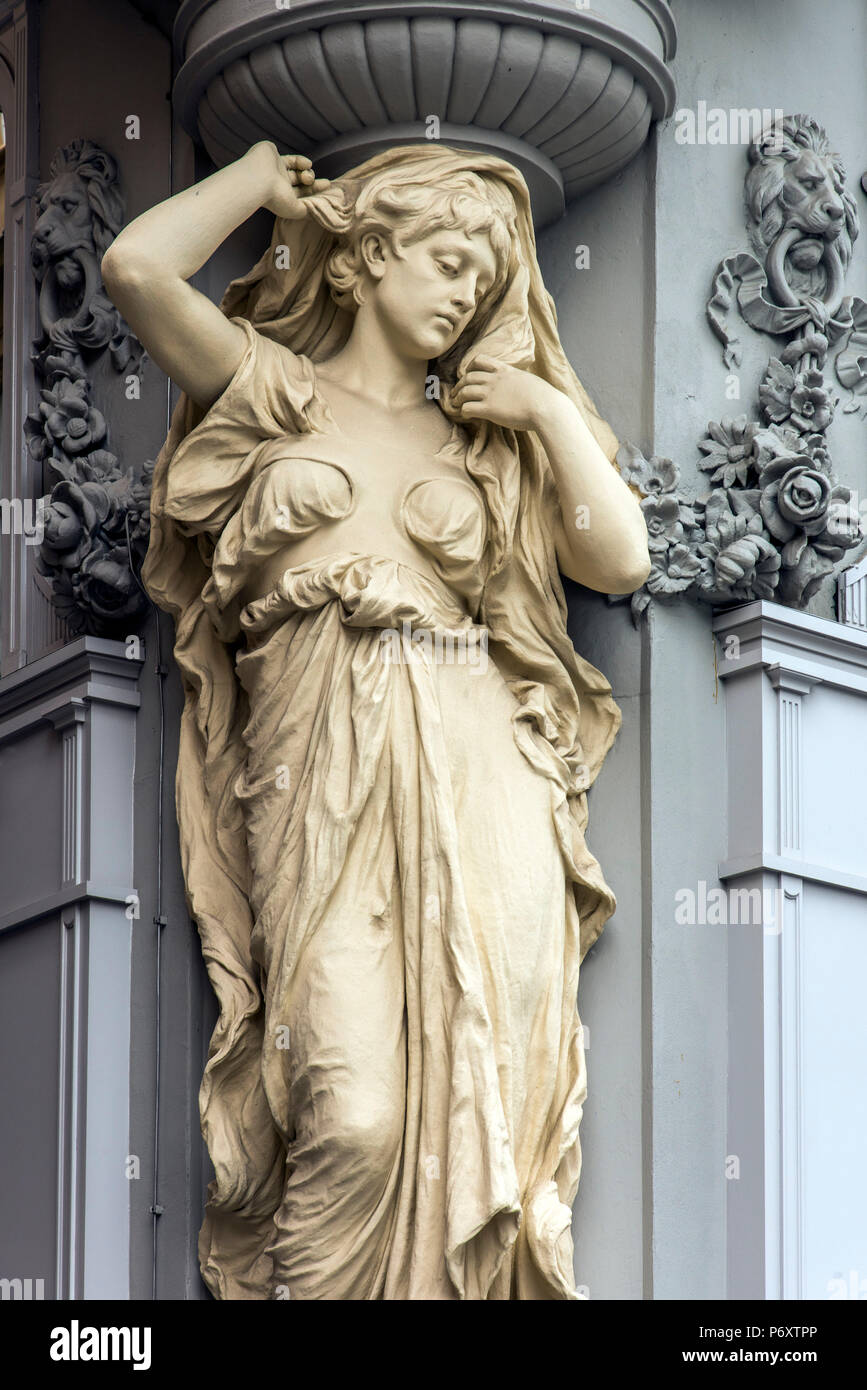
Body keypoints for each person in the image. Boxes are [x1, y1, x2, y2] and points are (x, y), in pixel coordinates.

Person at [102, 139, 651, 1301]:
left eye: (483, 277)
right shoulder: (276, 390)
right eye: (448, 260)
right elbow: (140, 271)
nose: (465, 291)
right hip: (315, 775)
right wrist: (256, 180)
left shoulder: (482, 443)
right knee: (349, 1115)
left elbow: (620, 557)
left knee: (476, 1104)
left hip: (479, 770)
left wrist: (548, 413)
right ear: (361, 262)